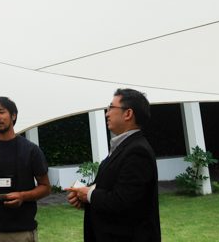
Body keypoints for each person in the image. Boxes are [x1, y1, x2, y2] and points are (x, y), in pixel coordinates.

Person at [66, 88, 161, 241]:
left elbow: (123, 200)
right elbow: (109, 187)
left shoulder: (138, 151)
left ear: (128, 114)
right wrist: (83, 195)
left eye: (111, 107)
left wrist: (89, 195)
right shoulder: (124, 146)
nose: (107, 113)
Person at [0, 96, 50, 242]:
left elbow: (45, 187)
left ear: (13, 116)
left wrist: (22, 196)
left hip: (22, 230)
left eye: (2, 112)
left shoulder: (31, 151)